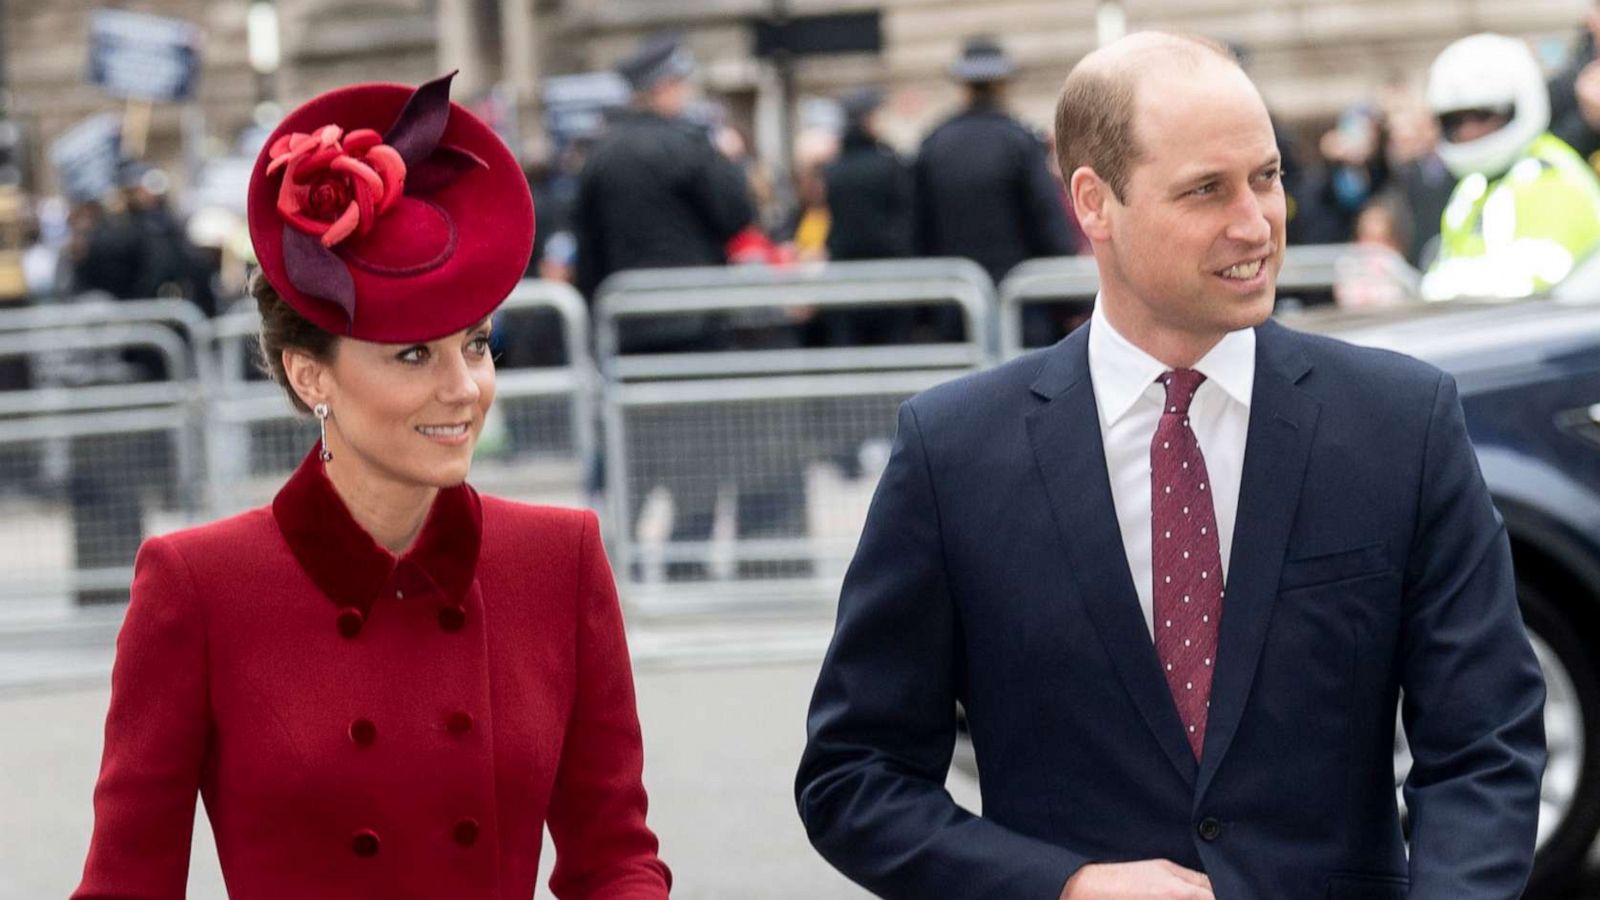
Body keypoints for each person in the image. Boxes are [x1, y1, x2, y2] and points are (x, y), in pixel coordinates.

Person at [796, 31, 1545, 899]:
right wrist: (1063, 887)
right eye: (1205, 191)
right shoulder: (955, 453)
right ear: (1093, 203)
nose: (1254, 222)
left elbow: (1486, 742)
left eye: (1267, 177)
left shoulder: (1401, 423)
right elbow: (855, 776)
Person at [72, 74, 671, 898]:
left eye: (478, 344)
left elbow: (616, 859)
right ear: (309, 374)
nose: (465, 388)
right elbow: (127, 884)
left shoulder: (557, 559)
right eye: (414, 355)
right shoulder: (198, 586)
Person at [574, 32, 753, 315]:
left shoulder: (600, 154)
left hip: (624, 314)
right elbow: (737, 214)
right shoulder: (690, 144)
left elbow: (587, 245)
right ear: (664, 87)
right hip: (695, 312)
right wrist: (731, 161)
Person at [914, 35, 1073, 340]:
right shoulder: (1019, 140)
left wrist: (922, 312)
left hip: (954, 305)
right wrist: (1069, 303)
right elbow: (1047, 220)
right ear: (1002, 83)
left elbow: (918, 229)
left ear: (964, 85)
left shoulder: (935, 143)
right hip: (1020, 305)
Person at [1422, 33, 1600, 300]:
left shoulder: (1553, 176)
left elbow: (1530, 282)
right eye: (1455, 120)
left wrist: (1445, 286)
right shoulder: (1473, 187)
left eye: (1483, 115)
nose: (1469, 131)